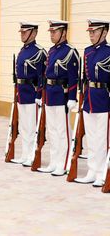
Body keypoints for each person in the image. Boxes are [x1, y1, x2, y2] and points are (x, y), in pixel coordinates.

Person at [37, 20, 79, 176]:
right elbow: (45, 74)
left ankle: (64, 163)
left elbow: (73, 77)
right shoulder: (51, 51)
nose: (52, 34)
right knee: (52, 131)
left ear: (64, 32)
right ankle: (54, 162)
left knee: (62, 131)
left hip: (62, 95)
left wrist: (72, 97)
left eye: (55, 31)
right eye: (51, 32)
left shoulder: (70, 51)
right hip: (50, 94)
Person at [74, 19, 110, 187]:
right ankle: (92, 170)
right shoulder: (87, 51)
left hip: (104, 99)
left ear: (104, 32)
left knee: (102, 138)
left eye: (94, 31)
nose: (91, 34)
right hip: (89, 99)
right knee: (91, 137)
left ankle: (102, 172)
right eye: (89, 31)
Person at [10, 22, 46, 166]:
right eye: (22, 32)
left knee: (32, 127)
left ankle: (32, 155)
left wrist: (39, 95)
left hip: (32, 93)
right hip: (22, 93)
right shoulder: (22, 50)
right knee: (24, 127)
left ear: (34, 33)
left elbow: (42, 76)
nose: (22, 34)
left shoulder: (39, 52)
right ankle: (25, 154)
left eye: (25, 32)